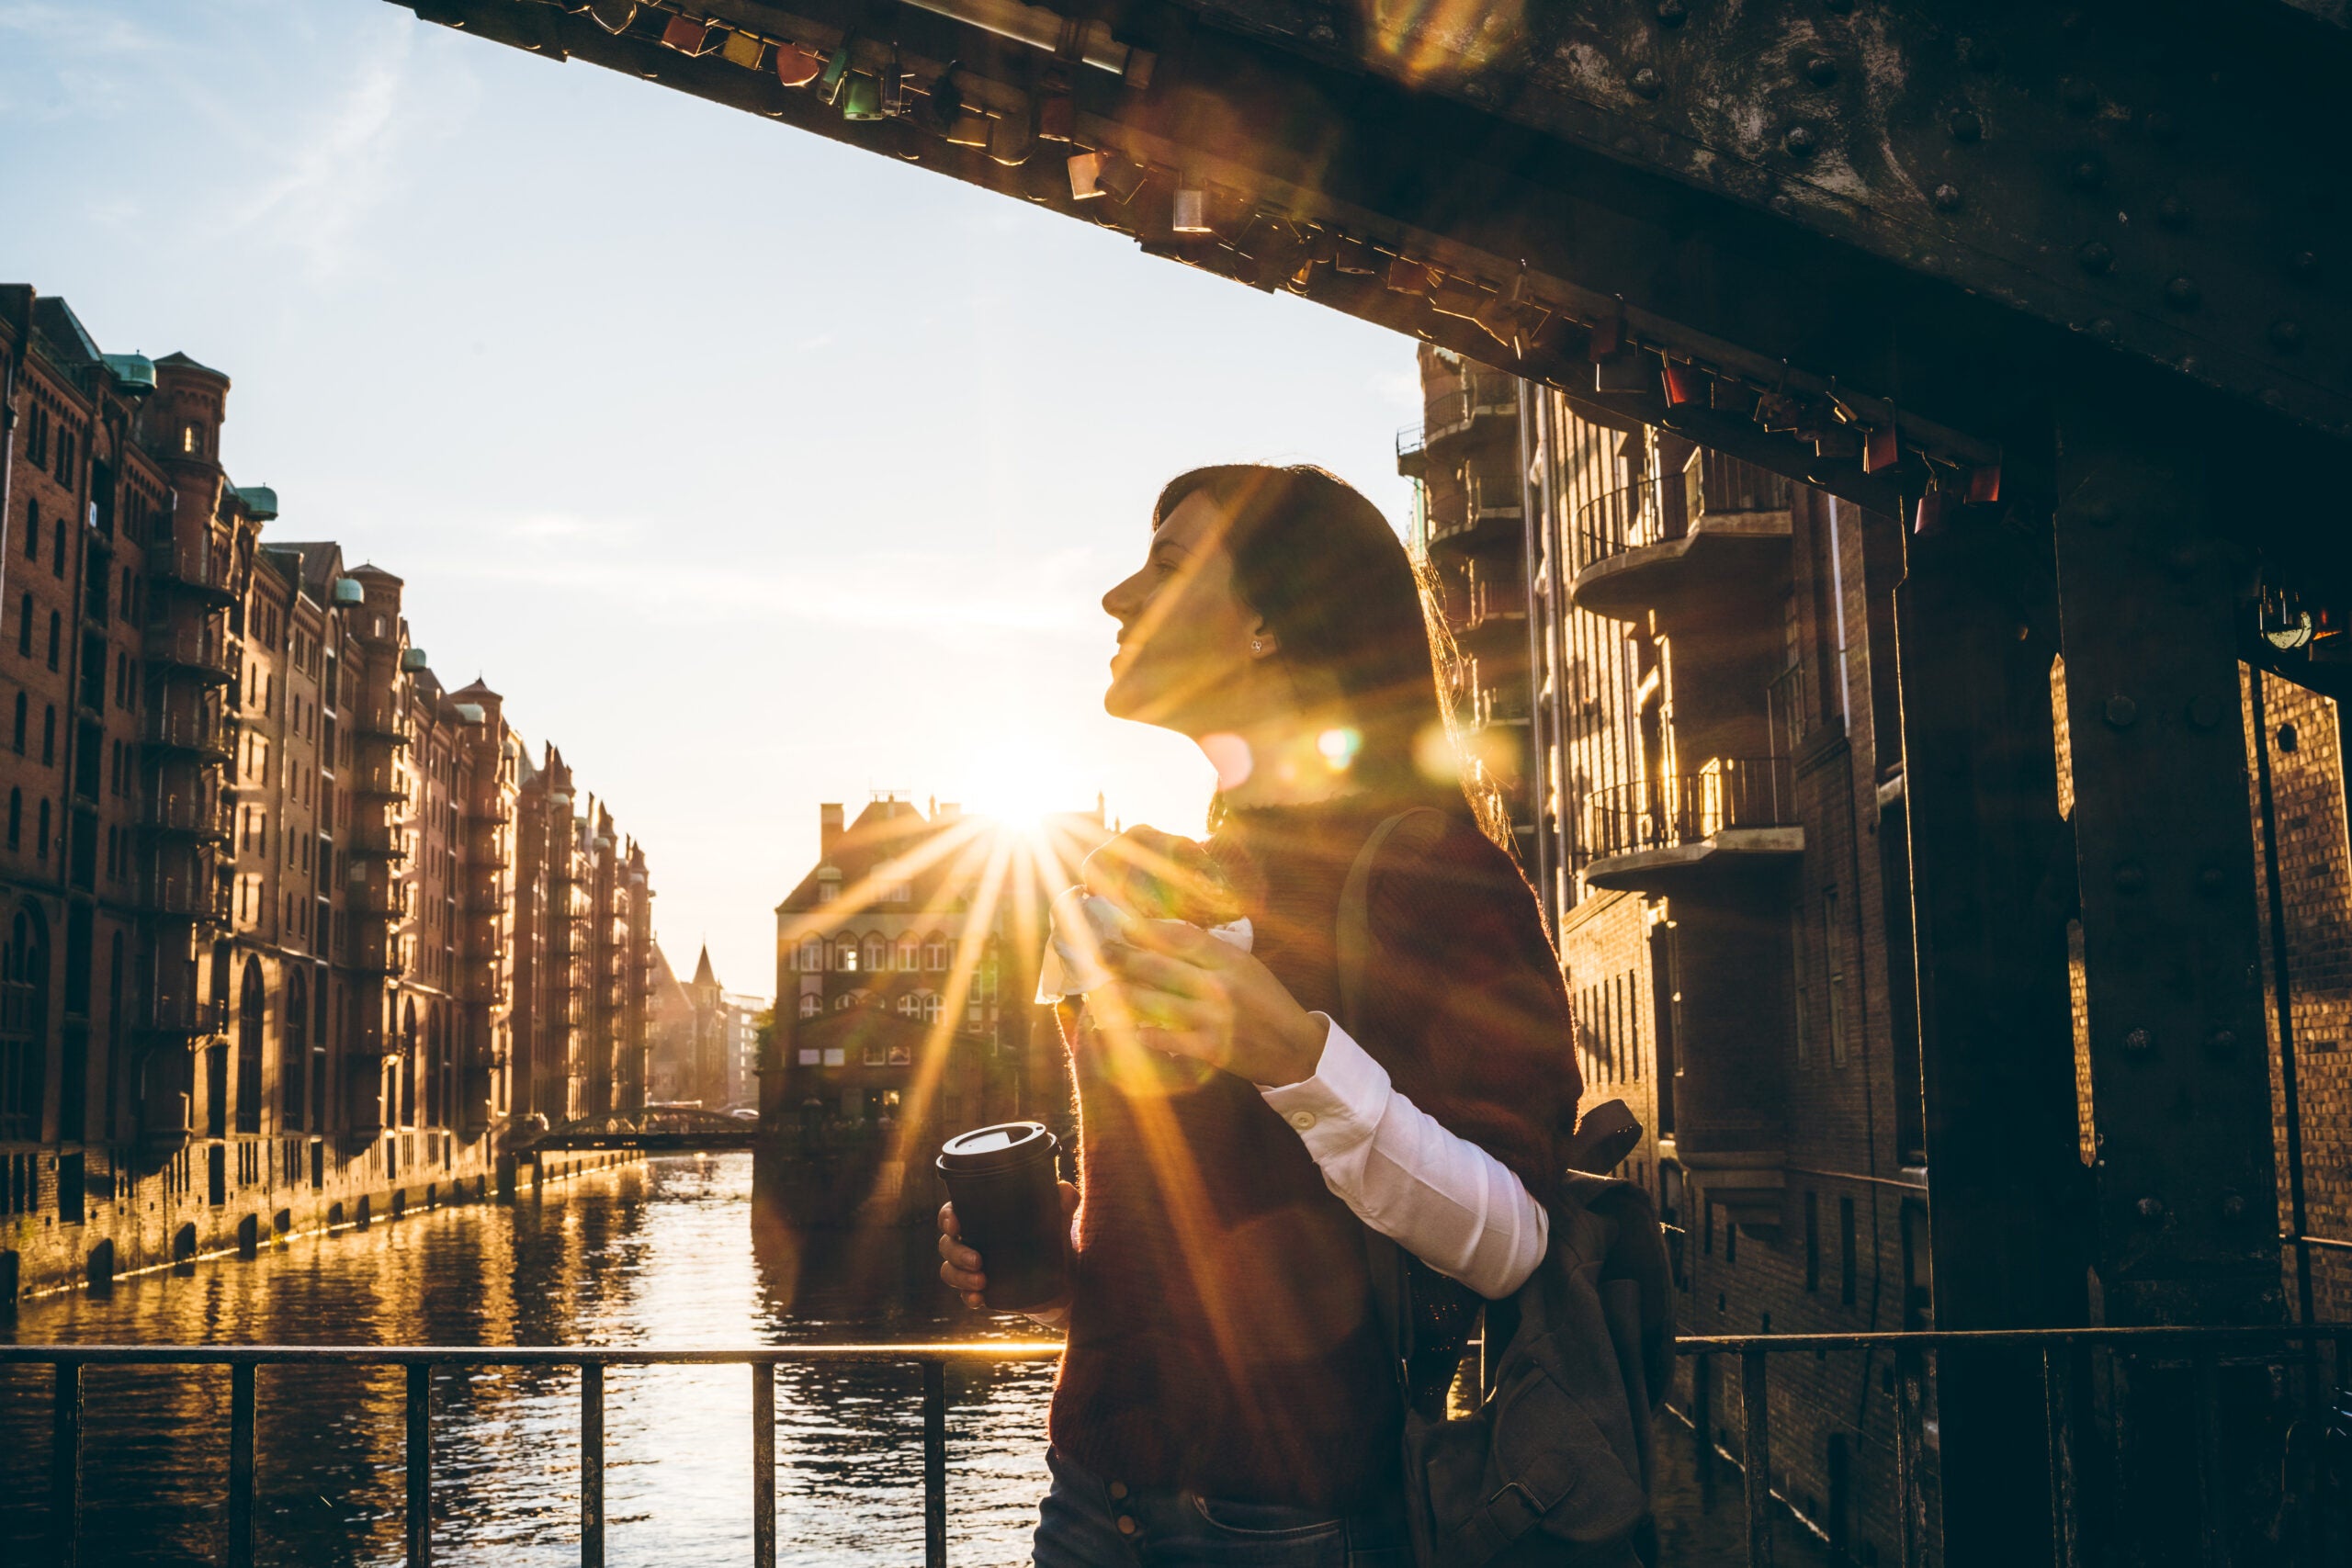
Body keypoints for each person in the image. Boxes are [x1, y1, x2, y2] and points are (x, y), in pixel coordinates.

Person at [938, 464, 1580, 1566]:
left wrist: (1291, 1054)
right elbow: (1197, 1223)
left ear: (1274, 625)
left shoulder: (1432, 870)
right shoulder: (1151, 879)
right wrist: (1057, 1253)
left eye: (1168, 567)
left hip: (1293, 1526)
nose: (1116, 599)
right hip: (1089, 1502)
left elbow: (1513, 1239)